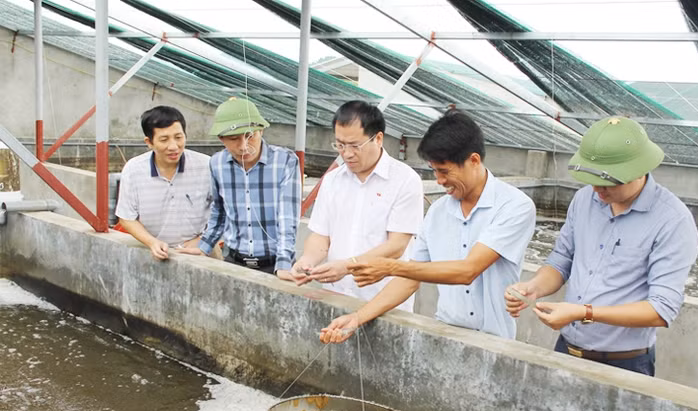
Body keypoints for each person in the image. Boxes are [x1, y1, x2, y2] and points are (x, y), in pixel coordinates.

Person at [505, 116, 698, 376]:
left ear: (639, 170)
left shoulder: (672, 220)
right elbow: (561, 261)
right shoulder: (585, 199)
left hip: (623, 363)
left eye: (609, 183)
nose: (599, 190)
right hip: (567, 349)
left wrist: (584, 313)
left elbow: (661, 308)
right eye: (593, 180)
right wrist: (533, 288)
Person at [320, 110, 536, 343]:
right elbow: (410, 280)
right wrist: (357, 318)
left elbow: (467, 271)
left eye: (444, 171)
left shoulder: (514, 206)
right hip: (444, 335)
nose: (439, 180)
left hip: (495, 343)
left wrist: (390, 266)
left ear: (473, 161)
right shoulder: (437, 212)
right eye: (434, 170)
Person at [290, 101, 424, 311]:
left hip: (383, 301)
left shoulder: (405, 180)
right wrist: (307, 262)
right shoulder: (333, 180)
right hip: (336, 297)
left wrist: (347, 266)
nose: (347, 154)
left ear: (378, 138)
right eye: (340, 145)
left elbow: (396, 246)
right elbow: (321, 235)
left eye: (355, 146)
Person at [179, 97, 301, 278]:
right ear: (222, 139)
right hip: (234, 261)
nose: (244, 146)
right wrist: (204, 246)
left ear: (261, 130)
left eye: (250, 136)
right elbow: (219, 211)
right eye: (234, 139)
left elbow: (287, 217)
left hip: (275, 263)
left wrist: (283, 263)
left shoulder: (285, 161)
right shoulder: (217, 163)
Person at [115, 106, 212, 260]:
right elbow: (126, 217)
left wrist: (204, 240)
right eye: (164, 139)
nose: (173, 146)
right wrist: (152, 242)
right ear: (149, 142)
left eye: (179, 137)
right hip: (156, 252)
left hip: (201, 251)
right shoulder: (134, 169)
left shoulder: (206, 166)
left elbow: (226, 212)